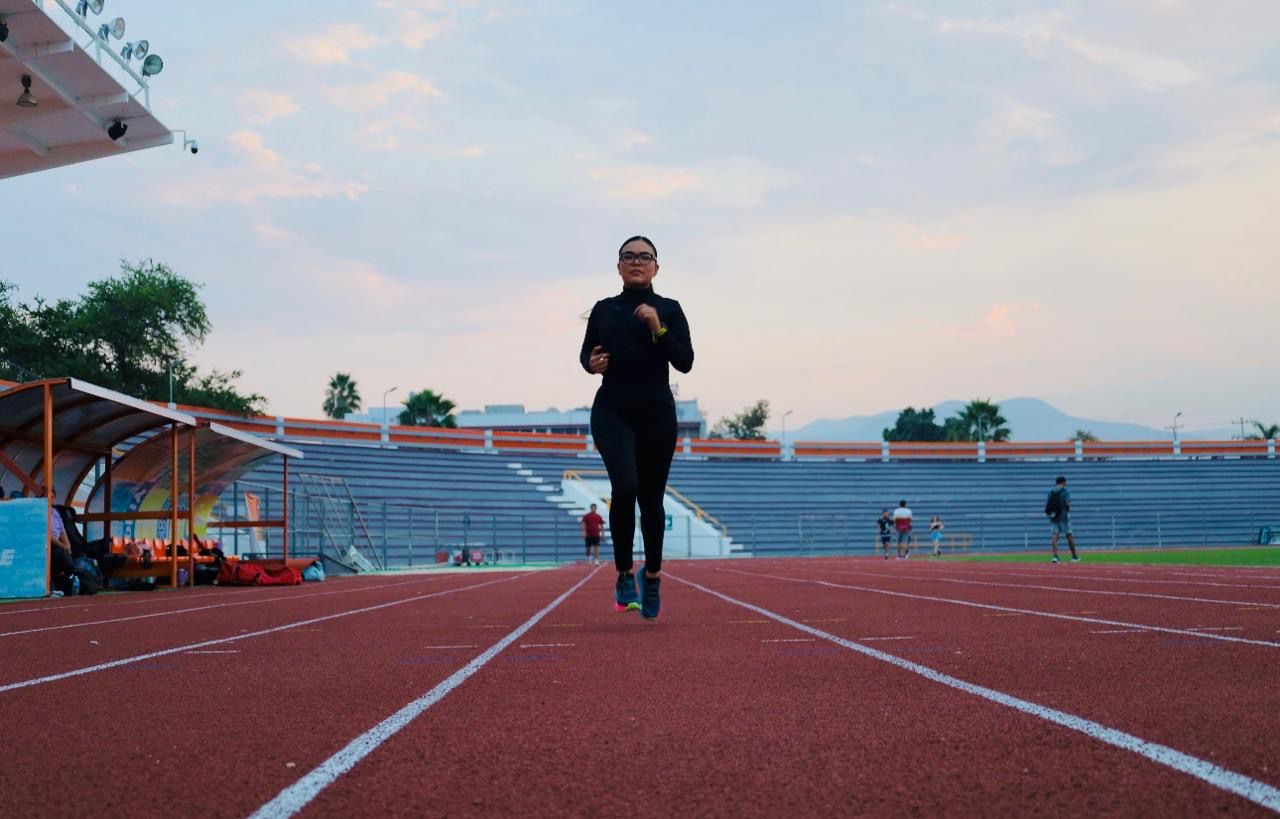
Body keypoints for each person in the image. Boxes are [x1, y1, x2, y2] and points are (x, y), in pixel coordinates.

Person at [580, 235, 694, 619]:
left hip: (657, 412)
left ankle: (653, 576)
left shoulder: (669, 308)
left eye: (645, 257)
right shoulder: (604, 309)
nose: (636, 262)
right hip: (612, 409)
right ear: (618, 267)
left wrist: (657, 327)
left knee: (651, 499)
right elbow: (587, 353)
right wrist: (591, 364)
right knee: (625, 487)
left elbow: (685, 361)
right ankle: (625, 574)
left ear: (656, 267)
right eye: (628, 256)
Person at [1045, 475, 1080, 563]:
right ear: (1064, 482)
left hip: (1054, 516)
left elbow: (1048, 504)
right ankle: (1074, 556)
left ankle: (1055, 556)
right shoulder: (1065, 491)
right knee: (1069, 535)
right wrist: (1068, 509)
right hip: (1063, 516)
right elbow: (1067, 503)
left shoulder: (1051, 492)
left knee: (1055, 536)